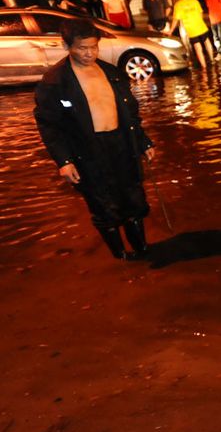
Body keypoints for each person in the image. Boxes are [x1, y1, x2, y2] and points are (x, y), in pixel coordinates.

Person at [34, 18, 155, 260]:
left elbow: (130, 113)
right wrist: (64, 162)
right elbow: (49, 126)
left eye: (94, 47)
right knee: (103, 204)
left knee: (133, 198)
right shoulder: (55, 82)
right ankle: (119, 257)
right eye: (82, 48)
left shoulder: (111, 73)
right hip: (87, 152)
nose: (89, 53)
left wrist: (143, 142)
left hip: (122, 144)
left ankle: (142, 252)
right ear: (67, 46)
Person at [169, 0, 215, 69]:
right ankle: (212, 60)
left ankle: (203, 66)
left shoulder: (178, 5)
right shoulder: (194, 1)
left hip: (191, 29)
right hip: (201, 26)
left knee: (197, 47)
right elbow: (201, 12)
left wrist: (171, 30)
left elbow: (175, 19)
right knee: (207, 42)